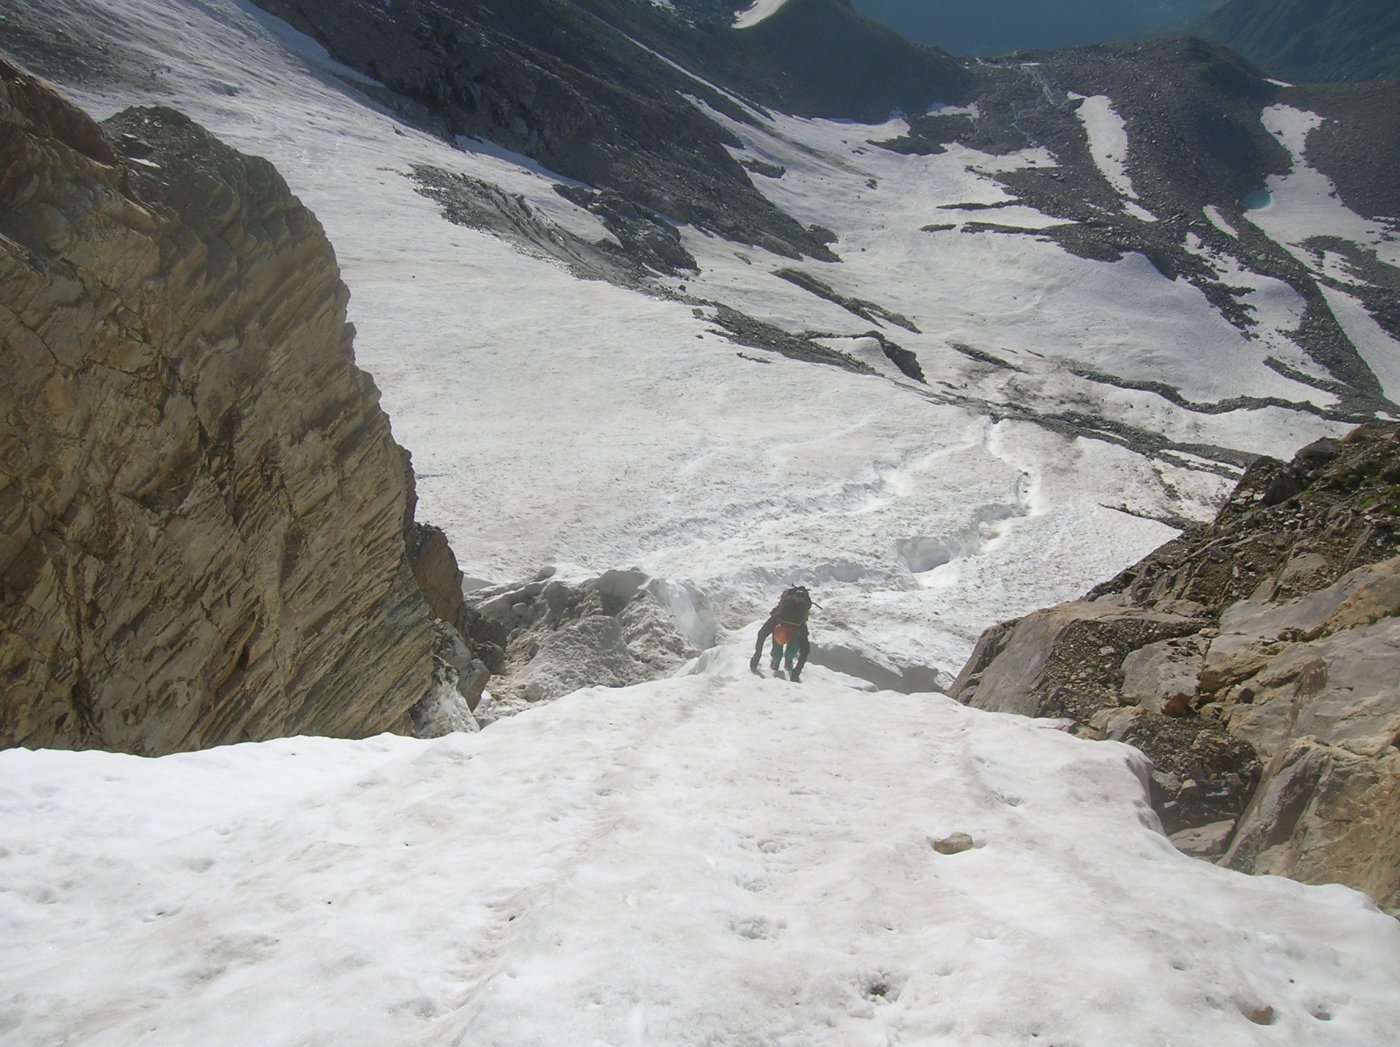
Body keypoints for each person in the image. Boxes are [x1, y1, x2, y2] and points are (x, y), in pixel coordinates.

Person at [750, 585, 812, 680]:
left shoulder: (780, 614)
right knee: (792, 649)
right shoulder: (801, 616)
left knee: (777, 648)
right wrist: (796, 673)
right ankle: (789, 662)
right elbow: (805, 651)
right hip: (797, 628)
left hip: (780, 625)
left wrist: (756, 657)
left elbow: (761, 634)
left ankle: (775, 662)